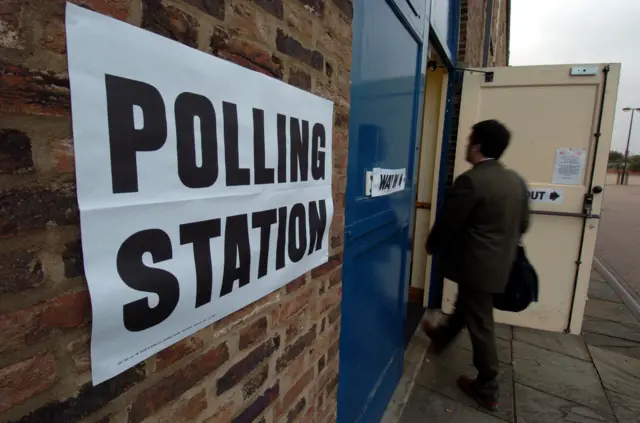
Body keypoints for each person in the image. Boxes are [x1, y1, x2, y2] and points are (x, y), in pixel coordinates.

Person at [424, 119, 530, 411]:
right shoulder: (516, 181)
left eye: (470, 138)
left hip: (476, 267)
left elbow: (450, 222)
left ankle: (488, 386)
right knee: (469, 305)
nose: (466, 145)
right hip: (500, 265)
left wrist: (432, 244)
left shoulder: (472, 181)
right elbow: (523, 224)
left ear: (478, 145)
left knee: (480, 322)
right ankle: (443, 334)